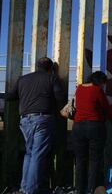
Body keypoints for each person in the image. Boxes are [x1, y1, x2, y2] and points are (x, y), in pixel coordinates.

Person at [5, 57, 66, 194]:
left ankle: (25, 187)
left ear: (36, 66)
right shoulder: (52, 78)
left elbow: (10, 97)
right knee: (38, 154)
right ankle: (31, 190)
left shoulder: (23, 79)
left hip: (25, 120)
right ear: (50, 69)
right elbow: (60, 98)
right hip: (42, 119)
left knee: (29, 153)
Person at [72, 71, 112, 193]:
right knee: (94, 159)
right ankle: (91, 188)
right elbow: (106, 108)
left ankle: (79, 189)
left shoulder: (79, 89)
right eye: (103, 83)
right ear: (99, 81)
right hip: (95, 127)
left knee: (80, 159)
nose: (103, 86)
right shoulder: (97, 90)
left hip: (78, 127)